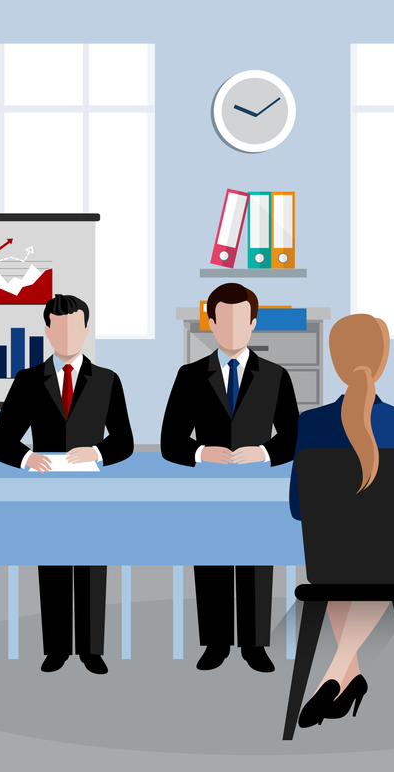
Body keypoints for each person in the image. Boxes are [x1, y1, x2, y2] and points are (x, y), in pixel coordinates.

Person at [290, 314, 394, 729]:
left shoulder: (309, 423)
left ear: (335, 362)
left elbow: (299, 507)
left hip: (326, 566)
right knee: (373, 567)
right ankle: (344, 675)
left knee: (338, 568)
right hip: (389, 566)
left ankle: (338, 675)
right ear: (382, 361)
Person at [0, 294, 134, 675]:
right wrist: (26, 458)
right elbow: (0, 441)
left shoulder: (107, 380)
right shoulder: (28, 381)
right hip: (47, 490)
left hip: (92, 492)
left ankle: (90, 649)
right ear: (48, 331)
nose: (67, 335)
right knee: (52, 567)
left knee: (91, 568)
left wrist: (98, 453)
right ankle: (56, 648)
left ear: (86, 330)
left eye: (75, 327)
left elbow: (125, 441)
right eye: (59, 327)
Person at [160, 283, 299, 673]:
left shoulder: (275, 375)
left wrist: (266, 452)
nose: (234, 328)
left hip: (259, 491)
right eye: (225, 320)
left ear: (254, 323)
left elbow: (293, 436)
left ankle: (254, 644)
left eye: (242, 320)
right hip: (208, 490)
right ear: (212, 322)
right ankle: (216, 643)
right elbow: (170, 439)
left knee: (256, 564)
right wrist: (203, 453)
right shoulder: (190, 376)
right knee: (211, 562)